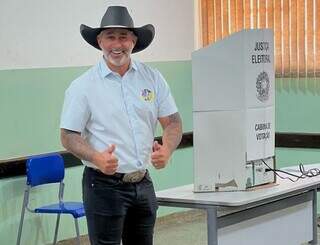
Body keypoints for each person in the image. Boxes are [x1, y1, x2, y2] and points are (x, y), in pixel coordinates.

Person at [60, 5, 182, 245]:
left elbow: (173, 122)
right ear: (99, 41)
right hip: (103, 186)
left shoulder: (152, 78)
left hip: (142, 183)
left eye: (124, 36)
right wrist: (96, 157)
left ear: (134, 41)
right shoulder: (83, 86)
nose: (117, 44)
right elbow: (68, 135)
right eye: (110, 37)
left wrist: (167, 150)